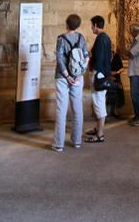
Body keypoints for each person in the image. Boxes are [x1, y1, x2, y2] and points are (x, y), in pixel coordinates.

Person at [52, 13, 89, 152]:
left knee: (61, 109)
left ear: (67, 24)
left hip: (63, 77)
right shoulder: (81, 38)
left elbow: (60, 59)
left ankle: (59, 144)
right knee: (77, 108)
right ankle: (77, 141)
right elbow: (86, 58)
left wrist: (67, 77)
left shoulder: (61, 39)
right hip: (78, 77)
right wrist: (79, 75)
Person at [85, 15, 111, 143]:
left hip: (99, 74)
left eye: (92, 25)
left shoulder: (100, 39)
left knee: (99, 103)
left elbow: (99, 59)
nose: (91, 27)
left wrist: (93, 74)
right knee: (99, 102)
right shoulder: (106, 37)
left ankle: (100, 135)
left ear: (95, 25)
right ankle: (97, 128)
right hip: (104, 73)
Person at [106, 50, 125, 119]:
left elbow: (122, 68)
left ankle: (115, 110)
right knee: (108, 91)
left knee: (119, 88)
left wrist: (117, 72)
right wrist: (109, 76)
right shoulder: (104, 56)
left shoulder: (117, 56)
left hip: (116, 77)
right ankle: (105, 114)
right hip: (106, 78)